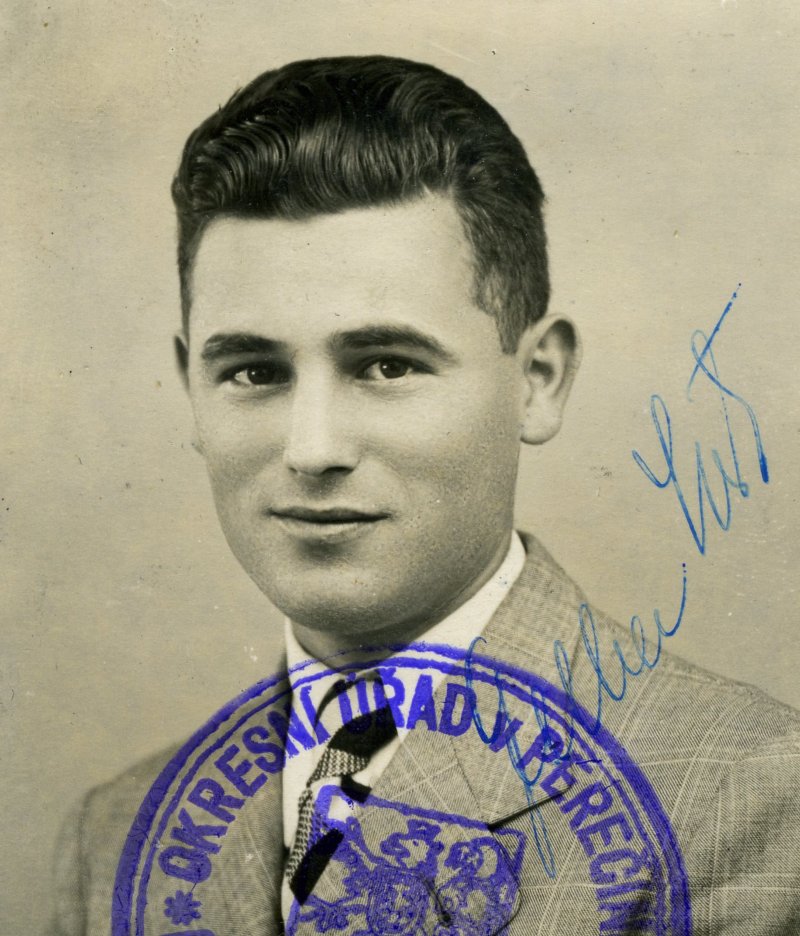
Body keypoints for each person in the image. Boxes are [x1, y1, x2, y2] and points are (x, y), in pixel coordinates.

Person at [49, 56, 800, 935]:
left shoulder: (747, 803)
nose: (312, 449)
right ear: (190, 389)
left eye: (387, 365)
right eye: (254, 371)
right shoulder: (115, 839)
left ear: (538, 380)